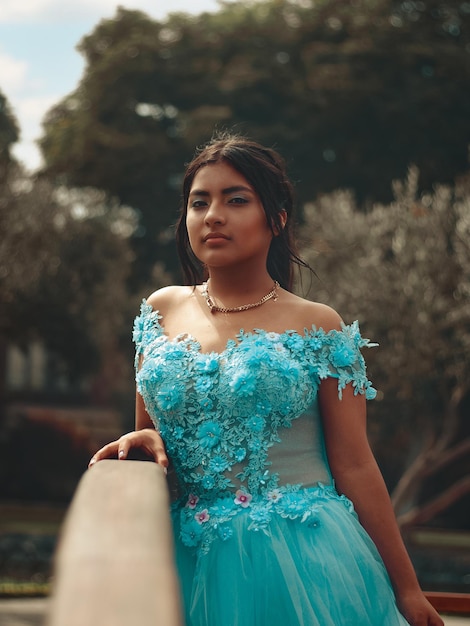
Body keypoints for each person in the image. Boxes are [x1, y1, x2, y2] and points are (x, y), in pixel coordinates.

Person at [89, 134, 444, 626]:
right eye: (199, 202)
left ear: (276, 219)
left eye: (236, 200)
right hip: (182, 557)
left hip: (301, 555)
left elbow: (356, 463)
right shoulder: (159, 310)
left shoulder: (318, 324)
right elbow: (155, 444)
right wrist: (142, 436)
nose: (213, 215)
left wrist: (407, 589)